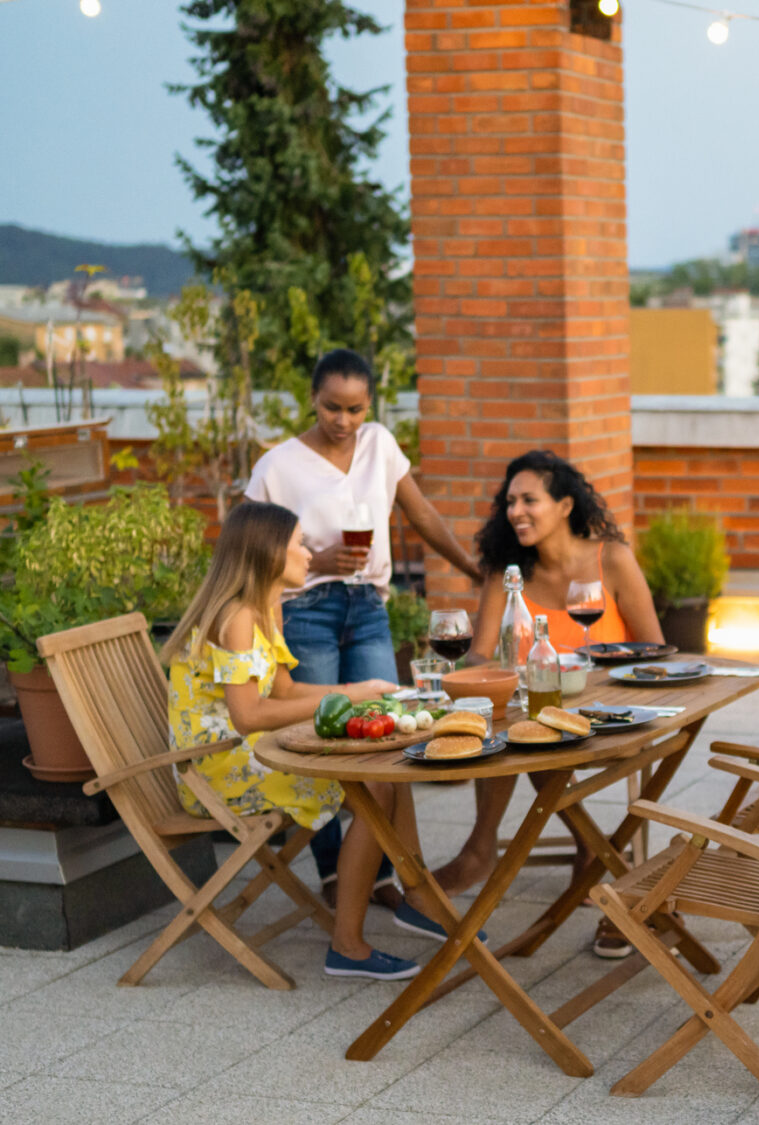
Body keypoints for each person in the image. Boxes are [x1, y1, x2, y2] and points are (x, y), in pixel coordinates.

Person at [163, 501, 458, 979]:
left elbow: (283, 691)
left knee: (389, 771)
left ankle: (417, 897)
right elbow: (247, 716)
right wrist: (351, 696)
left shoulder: (266, 607)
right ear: (268, 552)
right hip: (215, 771)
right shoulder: (236, 617)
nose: (308, 553)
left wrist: (360, 692)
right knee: (374, 788)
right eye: (299, 543)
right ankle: (348, 946)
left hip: (251, 754)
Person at [246, 348, 483, 905]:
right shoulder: (277, 466)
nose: (344, 420)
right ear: (313, 398)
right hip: (306, 608)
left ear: (369, 405)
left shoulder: (380, 445)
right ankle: (334, 873)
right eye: (332, 407)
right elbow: (250, 547)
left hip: (369, 607)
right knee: (321, 737)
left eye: (355, 409)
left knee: (390, 730)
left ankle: (380, 873)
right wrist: (319, 561)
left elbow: (421, 515)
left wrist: (472, 568)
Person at [433, 450, 664, 949]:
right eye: (510, 501)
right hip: (541, 712)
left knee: (531, 729)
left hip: (610, 712)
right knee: (520, 725)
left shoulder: (612, 560)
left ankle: (565, 850)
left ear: (564, 506)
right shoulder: (508, 571)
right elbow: (480, 655)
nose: (515, 511)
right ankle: (556, 849)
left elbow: (654, 649)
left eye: (529, 500)